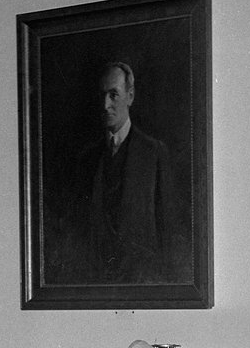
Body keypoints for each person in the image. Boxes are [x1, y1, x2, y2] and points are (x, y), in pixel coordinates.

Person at [60, 60, 187, 284]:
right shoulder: (87, 159)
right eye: (102, 96)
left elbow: (169, 230)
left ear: (130, 96)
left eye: (113, 95)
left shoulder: (154, 153)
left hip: (143, 282)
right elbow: (77, 231)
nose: (105, 105)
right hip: (96, 284)